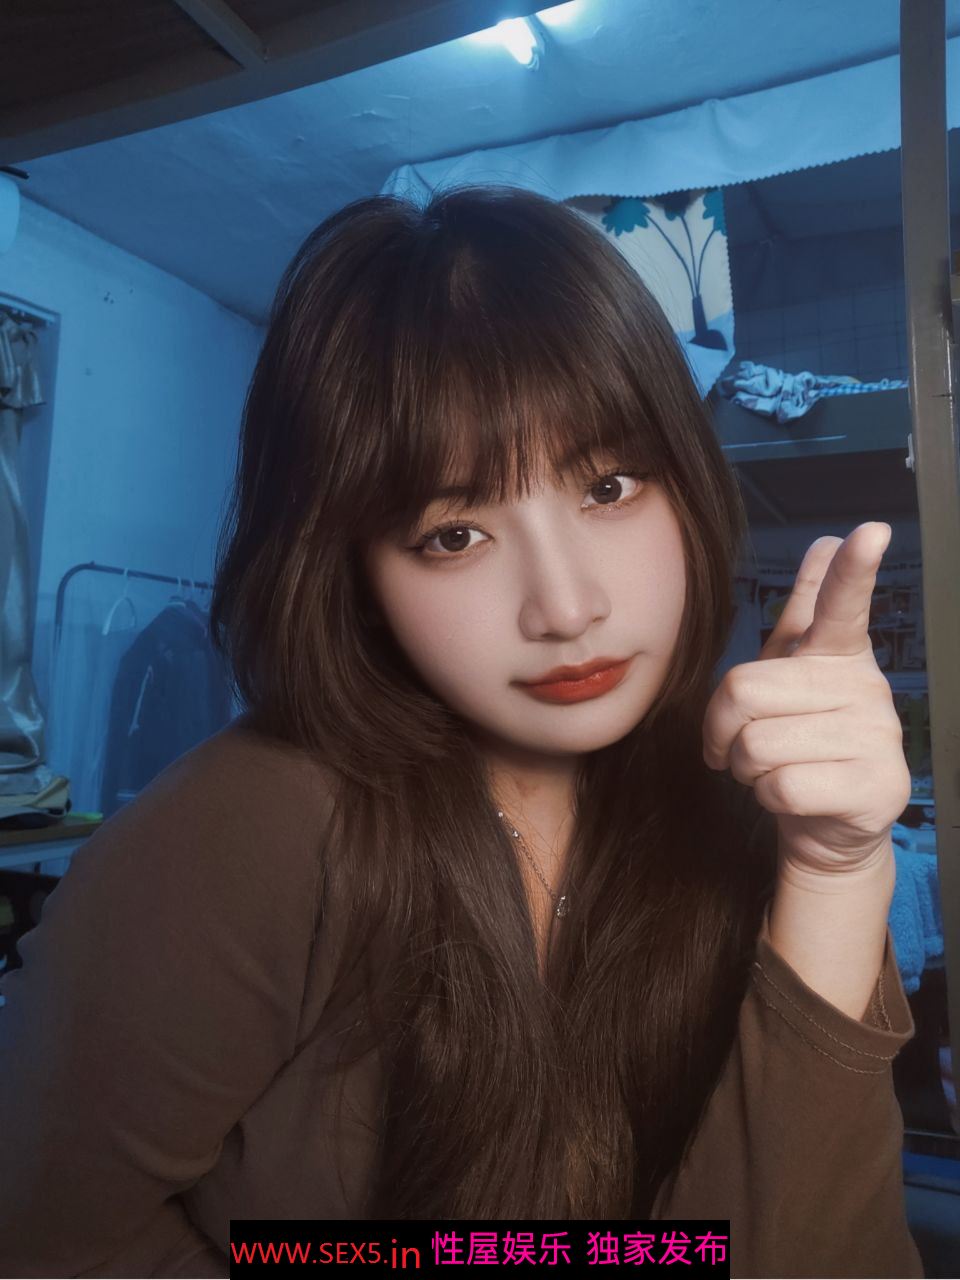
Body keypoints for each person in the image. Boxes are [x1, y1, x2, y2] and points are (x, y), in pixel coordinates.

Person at [0, 185, 922, 1279]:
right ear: (350, 568)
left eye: (609, 485)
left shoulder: (735, 806)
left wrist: (835, 871)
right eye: (453, 534)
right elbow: (51, 1239)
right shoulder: (248, 827)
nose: (566, 606)